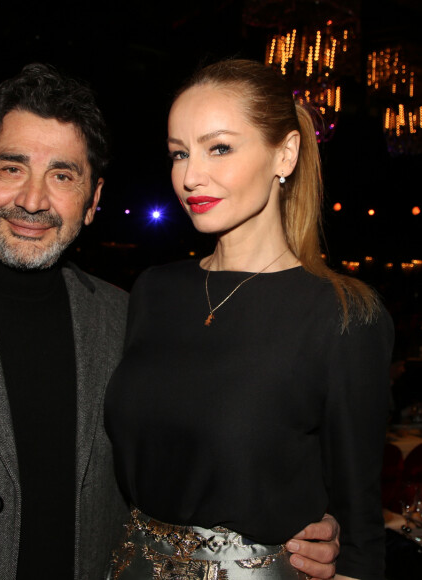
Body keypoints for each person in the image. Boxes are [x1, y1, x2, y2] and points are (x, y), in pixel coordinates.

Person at [0, 62, 339, 579]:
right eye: (11, 168)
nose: (33, 200)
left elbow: (197, 462)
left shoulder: (125, 315)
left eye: (62, 175)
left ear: (94, 199)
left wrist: (302, 528)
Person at [105, 58, 394, 579]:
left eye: (219, 147)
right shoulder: (154, 290)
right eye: (178, 153)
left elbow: (359, 532)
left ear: (284, 153)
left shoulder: (343, 314)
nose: (191, 176)